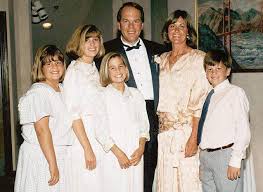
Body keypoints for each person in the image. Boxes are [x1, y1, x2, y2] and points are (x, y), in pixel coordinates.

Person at [101, 2, 167, 191]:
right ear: (118, 24)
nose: (131, 26)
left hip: (155, 115)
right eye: (126, 21)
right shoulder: (104, 51)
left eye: (136, 21)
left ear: (142, 25)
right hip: (123, 117)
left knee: (150, 168)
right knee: (122, 171)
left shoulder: (159, 50)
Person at [155, 10, 210, 192]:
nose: (177, 31)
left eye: (181, 26)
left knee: (189, 183)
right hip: (164, 136)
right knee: (167, 185)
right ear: (167, 32)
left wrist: (193, 138)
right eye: (172, 26)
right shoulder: (160, 60)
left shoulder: (198, 59)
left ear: (188, 32)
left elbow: (201, 103)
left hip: (187, 133)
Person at [14, 45, 73, 192]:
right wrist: (52, 164)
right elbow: (42, 130)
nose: (55, 66)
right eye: (48, 63)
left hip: (59, 154)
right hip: (42, 156)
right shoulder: (39, 92)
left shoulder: (63, 89)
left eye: (58, 62)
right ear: (40, 67)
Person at [63, 24, 114, 192]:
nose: (93, 44)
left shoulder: (94, 68)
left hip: (100, 133)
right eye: (87, 40)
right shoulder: (74, 71)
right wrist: (87, 149)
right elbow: (73, 114)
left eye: (96, 40)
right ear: (79, 43)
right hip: (83, 138)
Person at [198, 49, 251, 192]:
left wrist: (235, 160)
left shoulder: (235, 93)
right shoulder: (209, 96)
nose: (213, 72)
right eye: (210, 68)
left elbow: (243, 129)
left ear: (228, 71)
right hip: (206, 157)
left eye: (218, 68)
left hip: (225, 156)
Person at [99, 52, 150, 192]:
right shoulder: (101, 96)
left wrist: (141, 148)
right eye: (112, 68)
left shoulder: (136, 94)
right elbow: (100, 130)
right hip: (113, 154)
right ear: (106, 71)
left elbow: (144, 125)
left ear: (126, 69)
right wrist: (118, 153)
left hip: (135, 153)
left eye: (120, 66)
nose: (118, 71)